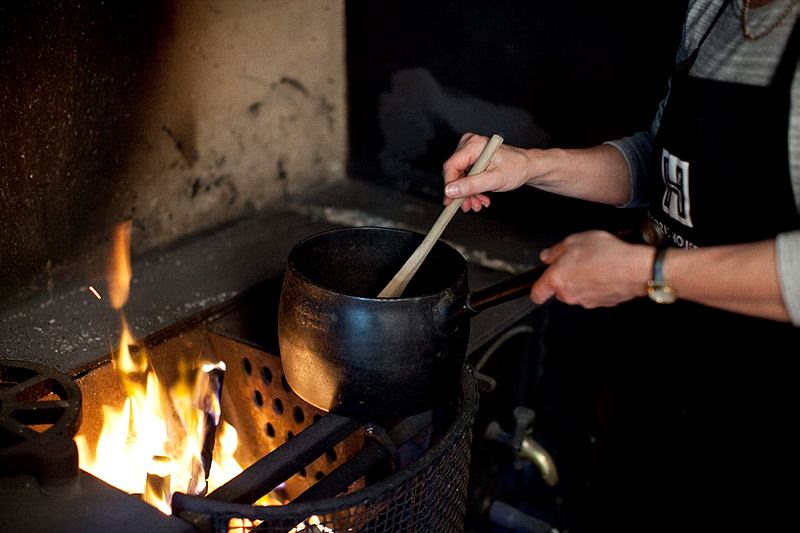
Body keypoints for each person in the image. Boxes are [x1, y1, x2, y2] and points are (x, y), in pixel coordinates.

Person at [442, 0, 799, 530]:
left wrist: (643, 272)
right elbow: (666, 167)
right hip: (673, 370)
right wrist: (532, 165)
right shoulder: (715, 9)